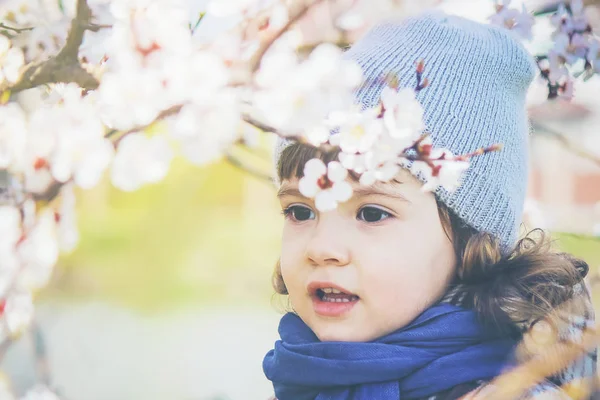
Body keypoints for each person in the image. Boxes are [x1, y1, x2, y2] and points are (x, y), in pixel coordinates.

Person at [263, 11, 596, 400]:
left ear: (471, 242)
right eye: (300, 212)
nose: (322, 248)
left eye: (372, 213)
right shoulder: (303, 378)